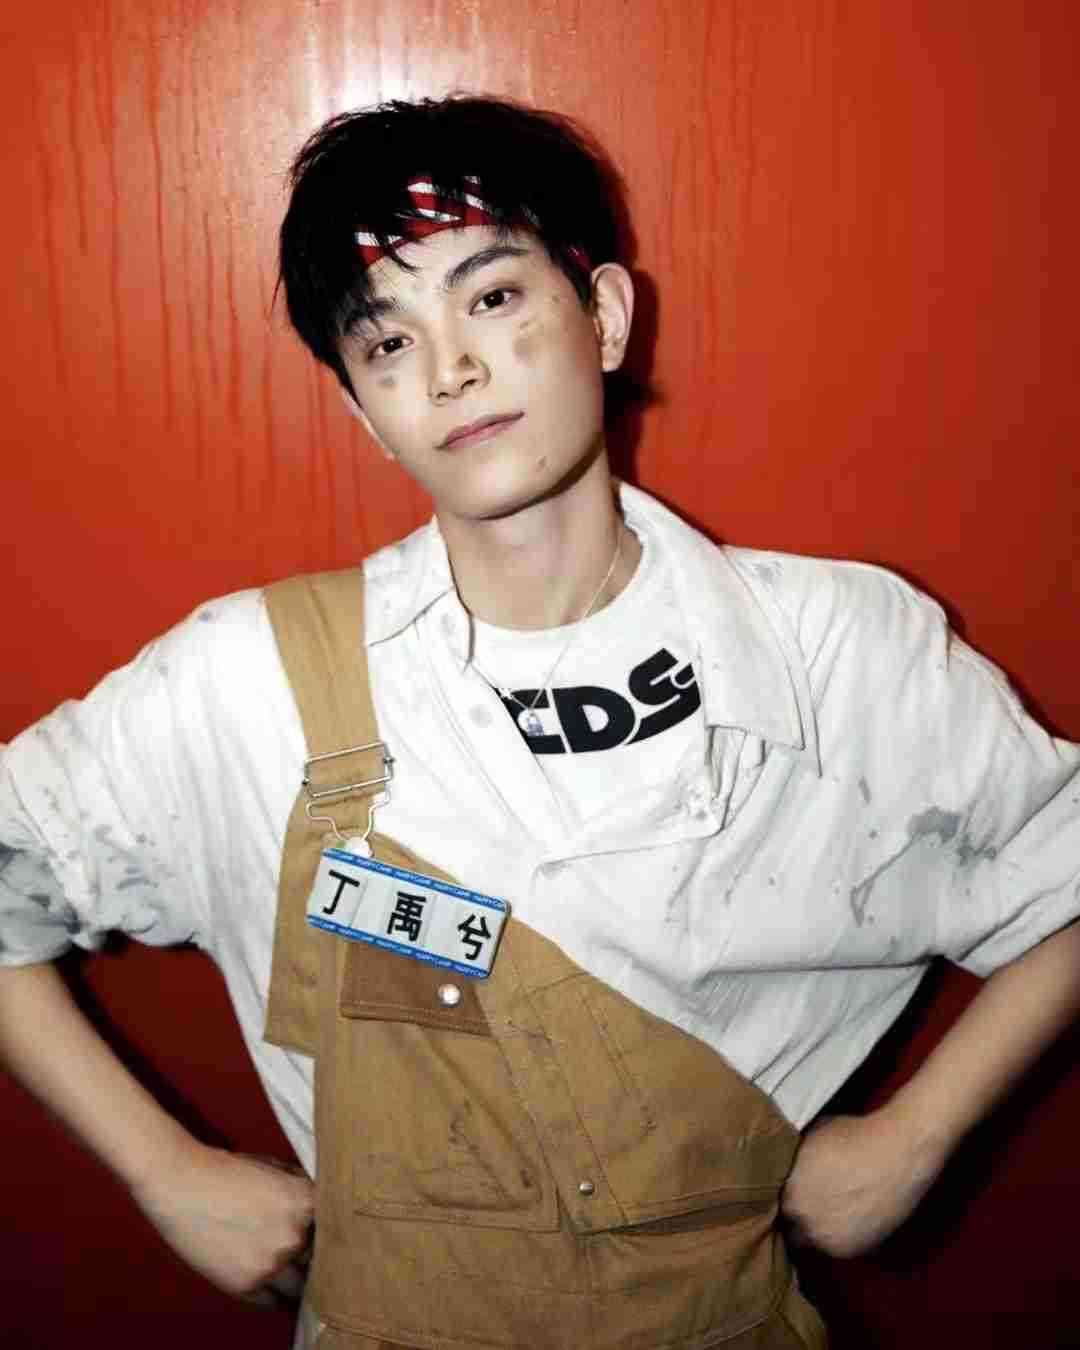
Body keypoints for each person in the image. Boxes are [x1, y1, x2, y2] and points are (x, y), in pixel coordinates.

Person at [2, 94, 1079, 1349]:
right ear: (362, 409)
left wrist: (919, 1137)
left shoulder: (838, 649)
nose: (449, 368)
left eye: (495, 297)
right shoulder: (248, 681)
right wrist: (164, 1172)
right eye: (386, 342)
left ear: (605, 315)